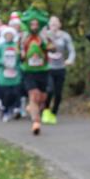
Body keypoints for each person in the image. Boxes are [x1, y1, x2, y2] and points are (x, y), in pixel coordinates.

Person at [19, 7, 50, 135]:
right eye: (32, 23)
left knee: (42, 97)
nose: (34, 26)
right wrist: (21, 54)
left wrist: (45, 46)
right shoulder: (24, 37)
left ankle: (32, 108)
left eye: (36, 24)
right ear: (28, 24)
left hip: (43, 70)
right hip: (29, 70)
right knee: (33, 95)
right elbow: (19, 51)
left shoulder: (44, 36)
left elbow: (53, 48)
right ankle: (36, 122)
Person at [42, 15, 75, 125]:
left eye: (56, 23)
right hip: (48, 68)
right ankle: (45, 110)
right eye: (52, 23)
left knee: (58, 93)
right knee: (49, 89)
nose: (54, 25)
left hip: (61, 68)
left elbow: (71, 50)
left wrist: (70, 60)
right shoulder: (44, 36)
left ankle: (54, 113)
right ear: (49, 25)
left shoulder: (65, 36)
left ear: (60, 24)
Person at [0, 26, 23, 121]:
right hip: (3, 74)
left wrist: (18, 66)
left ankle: (15, 109)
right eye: (7, 35)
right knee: (6, 93)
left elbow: (20, 59)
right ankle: (5, 110)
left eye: (10, 35)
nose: (9, 36)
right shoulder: (1, 46)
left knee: (15, 93)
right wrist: (2, 62)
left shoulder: (16, 46)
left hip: (15, 74)